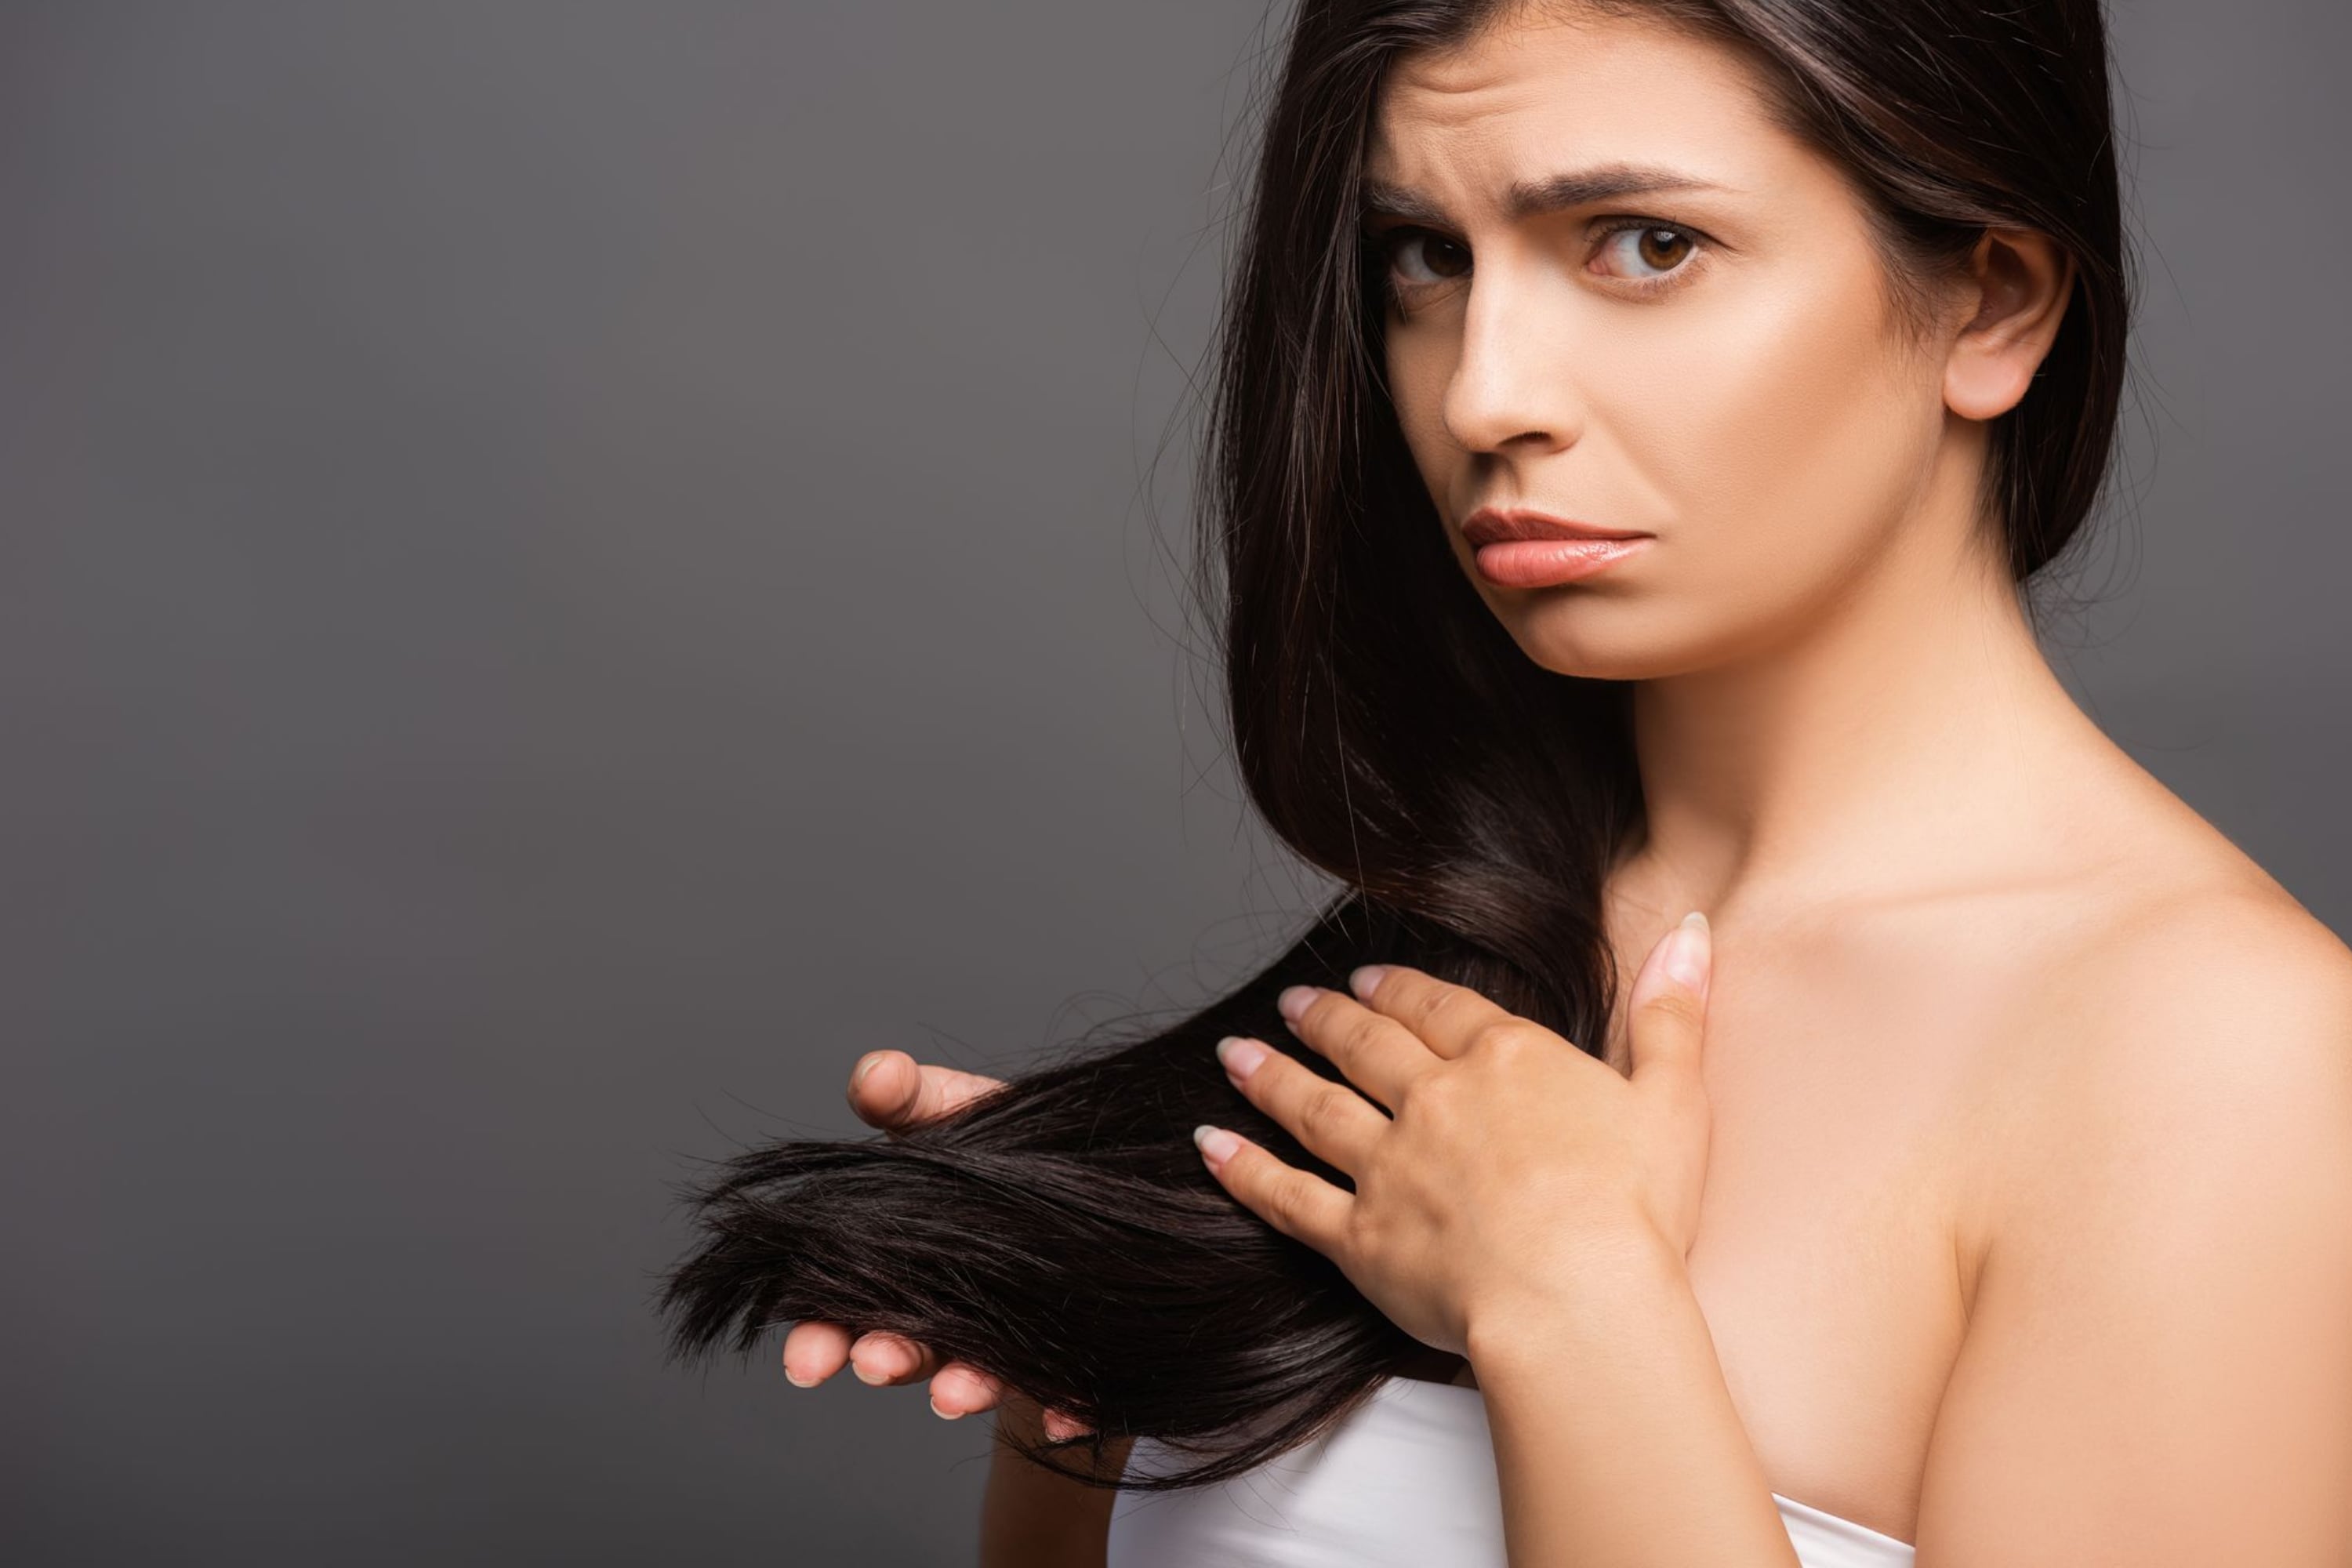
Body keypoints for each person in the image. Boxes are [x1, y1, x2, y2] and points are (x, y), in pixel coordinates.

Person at [678, 1, 2352, 1562]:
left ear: (1992, 302)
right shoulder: (1415, 977)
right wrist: (1107, 1307)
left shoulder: (2228, 1065)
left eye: (1645, 246)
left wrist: (1572, 1300)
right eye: (1424, 258)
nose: (1484, 391)